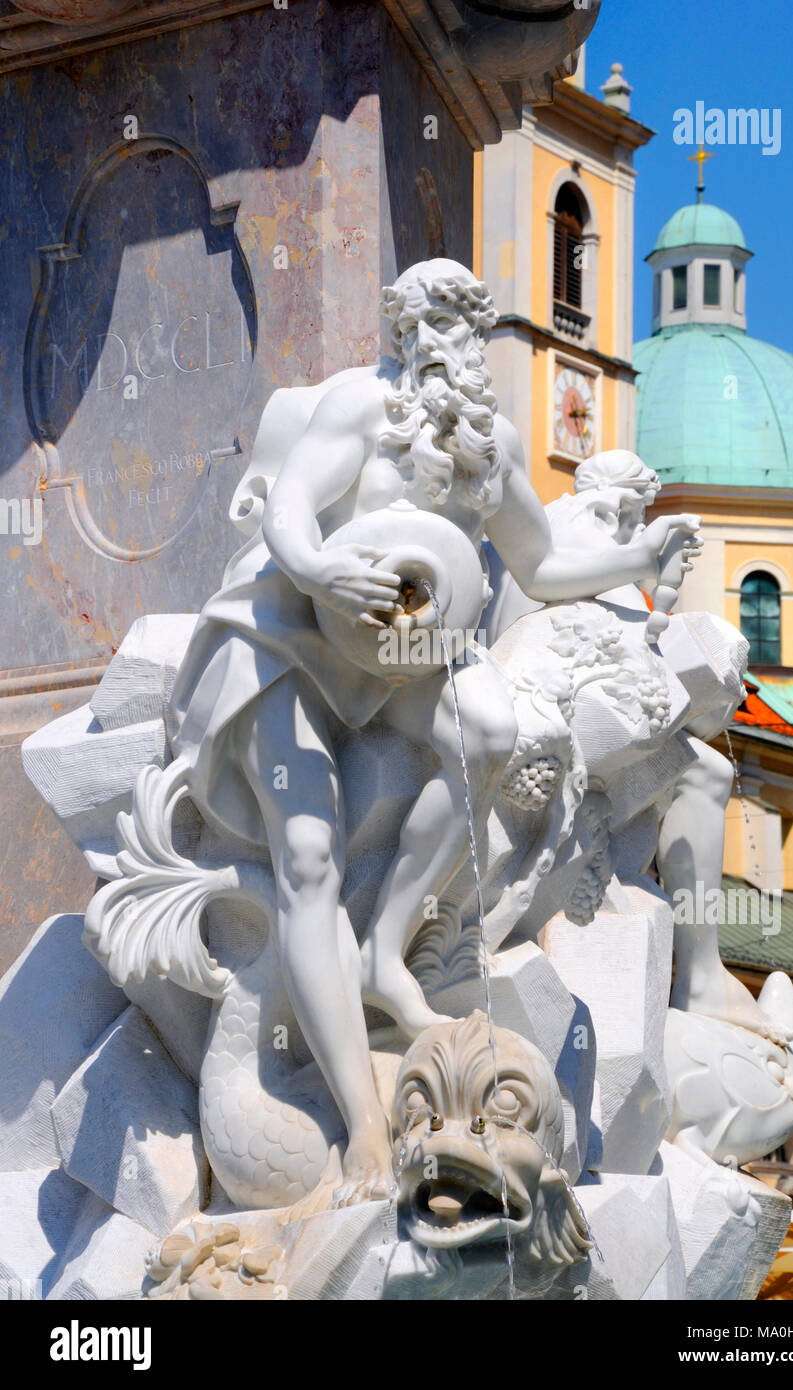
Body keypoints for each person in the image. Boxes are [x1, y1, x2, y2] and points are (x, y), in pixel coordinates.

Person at [168, 259, 699, 1202]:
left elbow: (539, 564)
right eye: (423, 325)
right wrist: (325, 570)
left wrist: (638, 554)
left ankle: (385, 945)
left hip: (401, 659)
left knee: (489, 728)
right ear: (399, 334)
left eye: (456, 327)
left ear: (474, 342)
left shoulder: (483, 447)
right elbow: (290, 506)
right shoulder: (358, 407)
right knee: (307, 854)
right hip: (289, 636)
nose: (437, 344)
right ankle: (364, 1125)